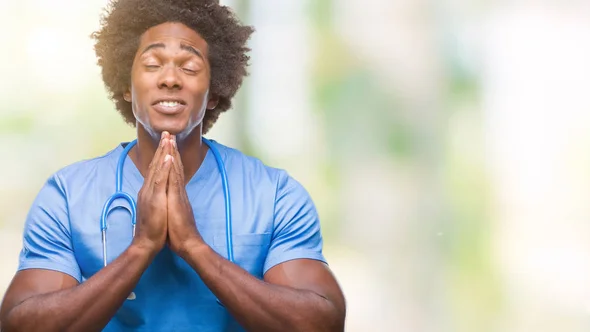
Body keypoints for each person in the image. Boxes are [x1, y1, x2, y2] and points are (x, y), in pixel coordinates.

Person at [0, 1, 346, 331]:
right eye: (152, 64)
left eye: (190, 66)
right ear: (126, 85)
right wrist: (141, 249)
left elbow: (321, 323)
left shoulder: (274, 195)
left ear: (213, 92)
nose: (170, 78)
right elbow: (20, 325)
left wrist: (192, 245)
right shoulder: (67, 195)